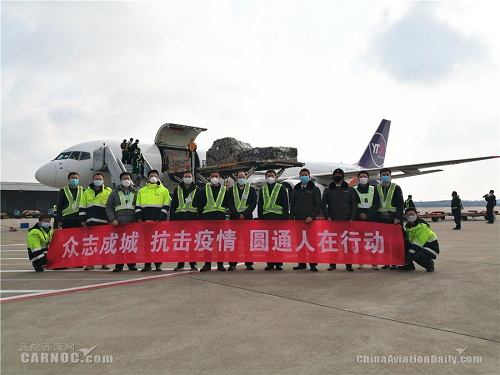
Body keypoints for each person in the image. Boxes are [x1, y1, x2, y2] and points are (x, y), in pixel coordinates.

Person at [135, 169, 171, 272]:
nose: (153, 178)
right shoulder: (142, 191)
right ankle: (147, 264)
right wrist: (139, 218)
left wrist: (158, 220)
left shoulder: (164, 191)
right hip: (146, 223)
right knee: (147, 245)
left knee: (158, 244)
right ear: (148, 178)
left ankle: (158, 264)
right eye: (151, 176)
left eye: (155, 176)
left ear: (158, 177)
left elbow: (166, 206)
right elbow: (138, 206)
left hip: (159, 223)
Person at [321, 168, 357, 271]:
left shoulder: (350, 189)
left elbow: (354, 205)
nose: (337, 176)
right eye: (335, 174)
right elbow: (323, 204)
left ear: (342, 176)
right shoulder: (328, 189)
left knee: (347, 244)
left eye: (339, 174)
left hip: (346, 221)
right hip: (333, 221)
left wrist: (352, 218)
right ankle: (332, 264)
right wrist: (327, 217)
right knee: (333, 243)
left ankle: (348, 264)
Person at [106, 172, 138, 272]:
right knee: (119, 245)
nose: (126, 180)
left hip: (131, 223)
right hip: (119, 224)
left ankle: (131, 264)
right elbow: (109, 207)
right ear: (120, 180)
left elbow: (139, 206)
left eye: (128, 178)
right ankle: (119, 265)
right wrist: (113, 219)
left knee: (131, 244)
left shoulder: (135, 192)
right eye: (124, 178)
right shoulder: (114, 193)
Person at [198, 171, 230, 272]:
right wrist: (200, 219)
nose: (214, 178)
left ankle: (220, 264)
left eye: (216, 176)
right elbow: (200, 205)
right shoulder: (204, 190)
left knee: (220, 242)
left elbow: (227, 203)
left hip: (220, 218)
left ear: (220, 177)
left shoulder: (224, 190)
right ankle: (207, 264)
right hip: (207, 218)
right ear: (209, 178)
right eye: (212, 176)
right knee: (207, 242)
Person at [291, 168, 321, 272]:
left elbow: (318, 205)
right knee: (300, 242)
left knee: (311, 243)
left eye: (306, 174)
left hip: (310, 221)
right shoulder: (296, 188)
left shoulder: (314, 188)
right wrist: (292, 218)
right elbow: (293, 204)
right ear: (299, 177)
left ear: (309, 176)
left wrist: (311, 217)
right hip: (299, 220)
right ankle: (301, 263)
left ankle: (313, 264)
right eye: (302, 175)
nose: (304, 176)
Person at [80, 173, 112, 270]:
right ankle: (90, 263)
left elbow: (111, 207)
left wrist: (110, 219)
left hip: (104, 222)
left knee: (104, 244)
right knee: (91, 244)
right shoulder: (87, 192)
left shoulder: (108, 191)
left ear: (103, 181)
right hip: (91, 222)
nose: (98, 180)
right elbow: (82, 206)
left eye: (100, 179)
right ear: (93, 180)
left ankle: (104, 263)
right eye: (96, 179)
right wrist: (82, 219)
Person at [258, 170, 289, 271]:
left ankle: (279, 263)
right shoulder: (263, 189)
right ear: (266, 177)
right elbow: (260, 205)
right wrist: (260, 219)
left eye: (272, 176)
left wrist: (285, 219)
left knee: (278, 242)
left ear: (276, 177)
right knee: (269, 243)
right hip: (266, 219)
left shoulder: (281, 188)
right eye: (268, 176)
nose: (270, 177)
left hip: (278, 219)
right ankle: (270, 263)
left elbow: (285, 204)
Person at [227, 171, 258, 271]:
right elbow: (229, 203)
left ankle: (249, 263)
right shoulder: (231, 190)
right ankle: (232, 264)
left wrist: (244, 214)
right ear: (236, 178)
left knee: (248, 242)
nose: (241, 179)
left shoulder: (252, 190)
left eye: (243, 177)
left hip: (247, 219)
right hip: (234, 219)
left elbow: (253, 204)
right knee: (234, 243)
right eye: (239, 177)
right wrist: (237, 214)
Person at [171, 171, 200, 272]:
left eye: (189, 177)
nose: (187, 178)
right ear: (182, 178)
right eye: (185, 176)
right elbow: (173, 206)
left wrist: (199, 220)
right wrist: (172, 220)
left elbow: (200, 207)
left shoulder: (197, 190)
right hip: (180, 220)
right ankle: (180, 263)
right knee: (181, 243)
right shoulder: (177, 190)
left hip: (192, 220)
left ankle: (193, 263)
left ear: (193, 178)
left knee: (192, 243)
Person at [376, 168, 404, 269]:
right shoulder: (377, 187)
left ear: (391, 176)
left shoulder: (396, 188)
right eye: (383, 174)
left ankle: (394, 263)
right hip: (381, 219)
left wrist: (398, 218)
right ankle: (387, 262)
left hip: (393, 219)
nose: (385, 176)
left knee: (395, 242)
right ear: (380, 176)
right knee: (384, 242)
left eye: (387, 174)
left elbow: (400, 204)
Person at [353, 171, 381, 270]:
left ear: (368, 179)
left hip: (371, 218)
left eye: (365, 176)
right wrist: (359, 214)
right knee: (359, 241)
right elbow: (353, 205)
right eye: (361, 177)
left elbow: (376, 204)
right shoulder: (354, 190)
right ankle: (361, 262)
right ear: (358, 178)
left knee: (372, 241)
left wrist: (368, 214)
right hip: (359, 217)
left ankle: (374, 262)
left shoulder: (374, 189)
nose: (363, 178)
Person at [399, 207, 439, 272]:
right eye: (408, 215)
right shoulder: (409, 227)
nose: (410, 216)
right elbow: (408, 240)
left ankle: (429, 264)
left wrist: (409, 258)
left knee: (415, 255)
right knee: (403, 245)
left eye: (412, 214)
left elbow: (417, 244)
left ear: (417, 215)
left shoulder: (423, 227)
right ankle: (409, 266)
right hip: (420, 247)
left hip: (430, 248)